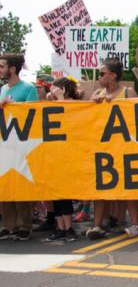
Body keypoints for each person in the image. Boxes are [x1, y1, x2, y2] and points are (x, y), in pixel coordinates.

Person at [85, 58, 138, 240]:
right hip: (104, 148)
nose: (99, 77)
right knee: (101, 188)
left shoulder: (127, 92)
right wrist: (93, 104)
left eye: (102, 74)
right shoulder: (98, 93)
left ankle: (134, 224)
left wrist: (117, 105)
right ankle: (98, 225)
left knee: (129, 188)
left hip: (125, 147)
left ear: (113, 75)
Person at [0, 54, 39, 242]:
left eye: (2, 66)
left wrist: (16, 108)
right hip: (5, 145)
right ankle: (9, 225)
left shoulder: (28, 89)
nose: (0, 70)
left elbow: (35, 114)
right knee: (6, 183)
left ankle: (25, 225)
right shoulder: (2, 89)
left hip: (22, 145)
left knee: (21, 184)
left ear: (13, 69)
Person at [43, 77, 84, 242]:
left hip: (69, 153)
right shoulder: (51, 104)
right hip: (53, 153)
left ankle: (68, 227)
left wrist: (60, 99)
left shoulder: (74, 104)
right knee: (55, 192)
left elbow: (70, 119)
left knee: (64, 192)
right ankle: (60, 227)